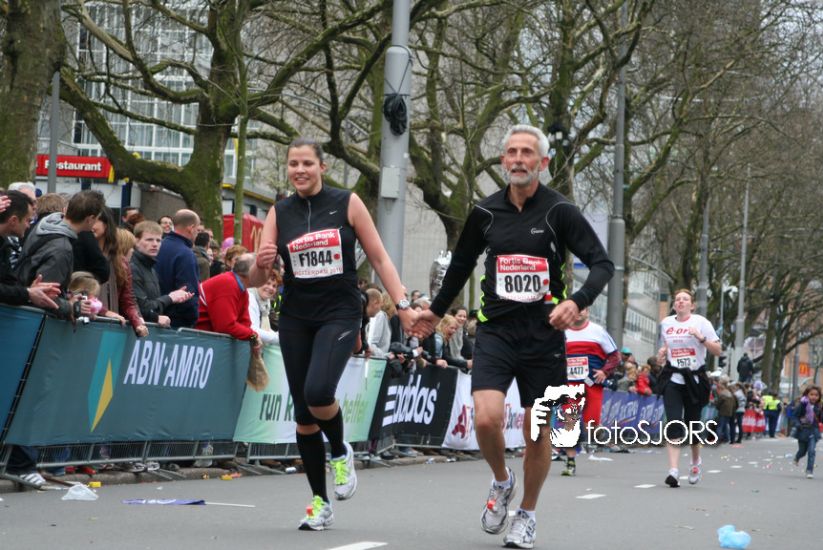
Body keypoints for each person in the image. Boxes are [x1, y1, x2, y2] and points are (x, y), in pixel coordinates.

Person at [411, 124, 613, 549]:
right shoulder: (485, 213)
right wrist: (435, 310)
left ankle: (527, 514)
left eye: (527, 153)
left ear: (543, 162)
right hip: (496, 331)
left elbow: (602, 264)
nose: (519, 159)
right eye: (512, 152)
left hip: (544, 336)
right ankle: (502, 481)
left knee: (538, 431)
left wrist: (576, 301)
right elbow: (461, 266)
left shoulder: (560, 211)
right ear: (503, 160)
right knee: (486, 418)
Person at [247, 137, 417, 531]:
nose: (300, 170)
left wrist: (403, 304)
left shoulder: (347, 202)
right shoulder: (279, 212)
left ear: (322, 167)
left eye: (307, 163)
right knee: (304, 416)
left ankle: (340, 451)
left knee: (319, 392)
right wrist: (261, 262)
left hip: (339, 312)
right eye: (293, 164)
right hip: (296, 316)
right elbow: (256, 278)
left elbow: (379, 257)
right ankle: (319, 503)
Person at [656, 288, 722, 488]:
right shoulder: (666, 323)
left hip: (695, 380)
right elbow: (666, 347)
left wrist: (701, 338)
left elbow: (718, 350)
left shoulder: (701, 322)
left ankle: (695, 462)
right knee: (674, 423)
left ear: (692, 305)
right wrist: (662, 353)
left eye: (685, 299)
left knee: (693, 426)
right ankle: (673, 471)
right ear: (674, 305)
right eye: (677, 299)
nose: (681, 302)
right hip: (673, 378)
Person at [560, 307, 620, 476]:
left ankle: (598, 432)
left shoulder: (597, 331)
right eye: (576, 309)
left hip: (591, 383)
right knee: (570, 419)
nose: (579, 312)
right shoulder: (561, 331)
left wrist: (604, 372)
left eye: (583, 309)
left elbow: (615, 357)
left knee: (591, 424)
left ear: (587, 312)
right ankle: (570, 461)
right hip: (570, 383)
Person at [130, 221, 193, 327]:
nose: (155, 244)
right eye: (149, 240)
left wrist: (174, 298)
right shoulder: (133, 267)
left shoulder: (151, 267)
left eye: (158, 240)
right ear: (136, 241)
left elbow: (152, 304)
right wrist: (170, 298)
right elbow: (141, 308)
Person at [155, 209, 200, 328]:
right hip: (175, 323)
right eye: (197, 229)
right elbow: (188, 293)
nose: (197, 233)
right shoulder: (186, 254)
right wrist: (192, 319)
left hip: (153, 315)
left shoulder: (158, 247)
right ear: (191, 228)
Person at [792, 385, 823, 479]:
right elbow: (795, 416)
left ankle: (809, 470)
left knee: (811, 451)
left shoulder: (819, 406)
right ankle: (797, 457)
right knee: (802, 451)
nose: (814, 397)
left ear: (819, 396)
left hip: (814, 431)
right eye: (811, 394)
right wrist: (798, 424)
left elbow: (822, 419)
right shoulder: (802, 404)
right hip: (803, 430)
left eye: (816, 395)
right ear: (807, 395)